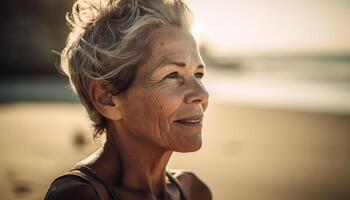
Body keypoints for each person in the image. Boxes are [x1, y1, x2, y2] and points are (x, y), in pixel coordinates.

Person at [44, 0, 211, 199]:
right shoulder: (79, 196)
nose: (202, 94)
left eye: (198, 75)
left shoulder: (193, 191)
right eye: (172, 75)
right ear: (107, 98)